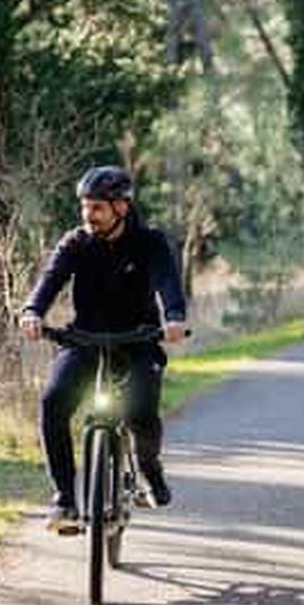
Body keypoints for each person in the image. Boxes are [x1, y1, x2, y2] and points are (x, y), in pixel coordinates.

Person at [21, 165, 187, 533]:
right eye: (85, 207)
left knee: (141, 415)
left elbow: (167, 282)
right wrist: (33, 310)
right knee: (53, 402)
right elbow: (50, 279)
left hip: (138, 341)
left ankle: (148, 470)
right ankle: (65, 500)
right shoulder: (76, 243)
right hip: (85, 340)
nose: (88, 215)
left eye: (97, 207)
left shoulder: (151, 242)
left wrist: (174, 316)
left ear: (121, 207)